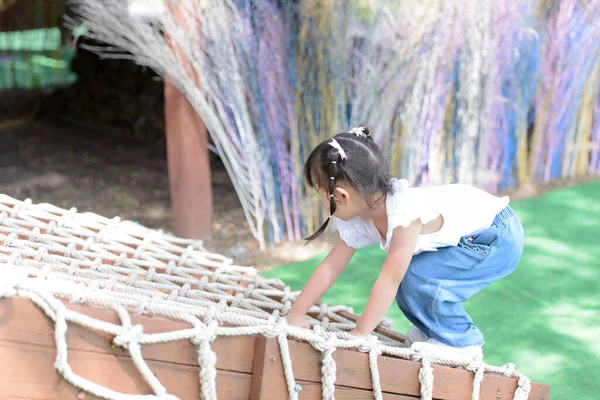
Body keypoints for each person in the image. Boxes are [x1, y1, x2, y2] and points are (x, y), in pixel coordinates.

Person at [286, 126, 524, 360]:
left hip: (497, 235)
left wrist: (360, 333)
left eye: (320, 194)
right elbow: (331, 266)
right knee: (411, 278)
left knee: (419, 277)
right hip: (474, 235)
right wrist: (297, 313)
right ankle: (435, 332)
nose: (321, 203)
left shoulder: (404, 212)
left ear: (342, 196)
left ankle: (461, 344)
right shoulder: (361, 215)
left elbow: (389, 279)